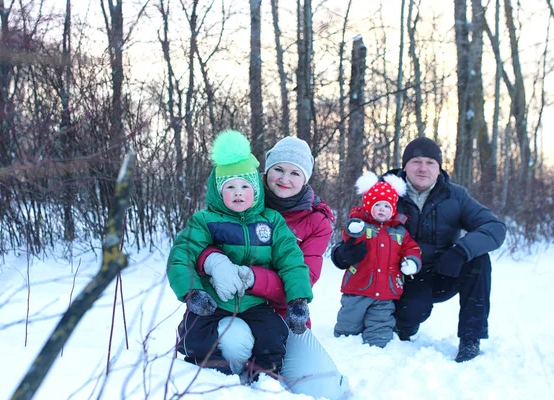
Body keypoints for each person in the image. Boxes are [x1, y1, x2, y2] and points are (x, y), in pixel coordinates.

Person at [196, 137, 349, 399]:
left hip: (283, 316)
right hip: (230, 306)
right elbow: (201, 239)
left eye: (294, 172)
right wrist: (214, 261)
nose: (284, 179)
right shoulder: (241, 193)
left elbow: (305, 278)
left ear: (306, 178)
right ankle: (236, 379)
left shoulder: (316, 222)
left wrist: (252, 277)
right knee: (234, 342)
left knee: (325, 391)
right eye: (278, 169)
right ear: (266, 171)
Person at [167, 130, 313, 378]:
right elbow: (181, 256)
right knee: (196, 336)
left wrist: (298, 300)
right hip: (214, 300)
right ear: (217, 191)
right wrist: (192, 292)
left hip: (255, 302)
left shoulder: (271, 221)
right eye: (230, 186)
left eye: (245, 186)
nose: (238, 192)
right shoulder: (205, 221)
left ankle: (265, 378)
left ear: (256, 190)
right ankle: (209, 375)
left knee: (273, 336)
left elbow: (292, 261)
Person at [374, 137, 505, 362]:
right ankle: (403, 325)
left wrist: (460, 252)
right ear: (404, 166)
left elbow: (494, 228)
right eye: (416, 161)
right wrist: (343, 253)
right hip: (400, 278)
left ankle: (470, 339)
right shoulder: (385, 194)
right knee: (410, 316)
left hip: (442, 271)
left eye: (430, 162)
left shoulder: (456, 196)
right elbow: (359, 226)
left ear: (439, 168)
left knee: (478, 260)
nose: (423, 168)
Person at [332, 171, 421, 347]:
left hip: (385, 289)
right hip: (358, 286)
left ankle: (378, 341)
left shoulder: (400, 231)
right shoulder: (360, 225)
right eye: (378, 204)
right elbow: (348, 237)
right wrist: (354, 229)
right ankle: (345, 340)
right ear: (368, 205)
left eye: (387, 206)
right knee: (350, 318)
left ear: (393, 209)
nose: (382, 209)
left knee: (381, 320)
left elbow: (411, 248)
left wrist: (411, 261)